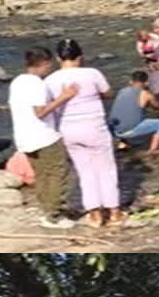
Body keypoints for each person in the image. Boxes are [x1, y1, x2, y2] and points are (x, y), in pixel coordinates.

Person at [44, 38, 122, 228]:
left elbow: (49, 106)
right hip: (94, 127)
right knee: (106, 169)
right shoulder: (92, 73)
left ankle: (94, 215)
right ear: (81, 56)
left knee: (84, 171)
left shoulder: (50, 80)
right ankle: (114, 213)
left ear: (57, 58)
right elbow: (108, 93)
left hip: (68, 129)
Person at [9, 47, 79, 229]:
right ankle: (54, 215)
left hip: (24, 136)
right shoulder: (36, 84)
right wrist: (65, 97)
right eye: (49, 65)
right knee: (58, 173)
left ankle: (47, 210)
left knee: (41, 176)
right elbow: (40, 112)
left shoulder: (17, 81)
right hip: (44, 136)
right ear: (44, 63)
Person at [109, 71, 159, 154]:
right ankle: (153, 150)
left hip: (113, 130)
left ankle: (122, 145)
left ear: (130, 81)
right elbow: (157, 107)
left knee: (125, 115)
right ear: (146, 83)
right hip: (128, 131)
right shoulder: (146, 94)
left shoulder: (122, 91)